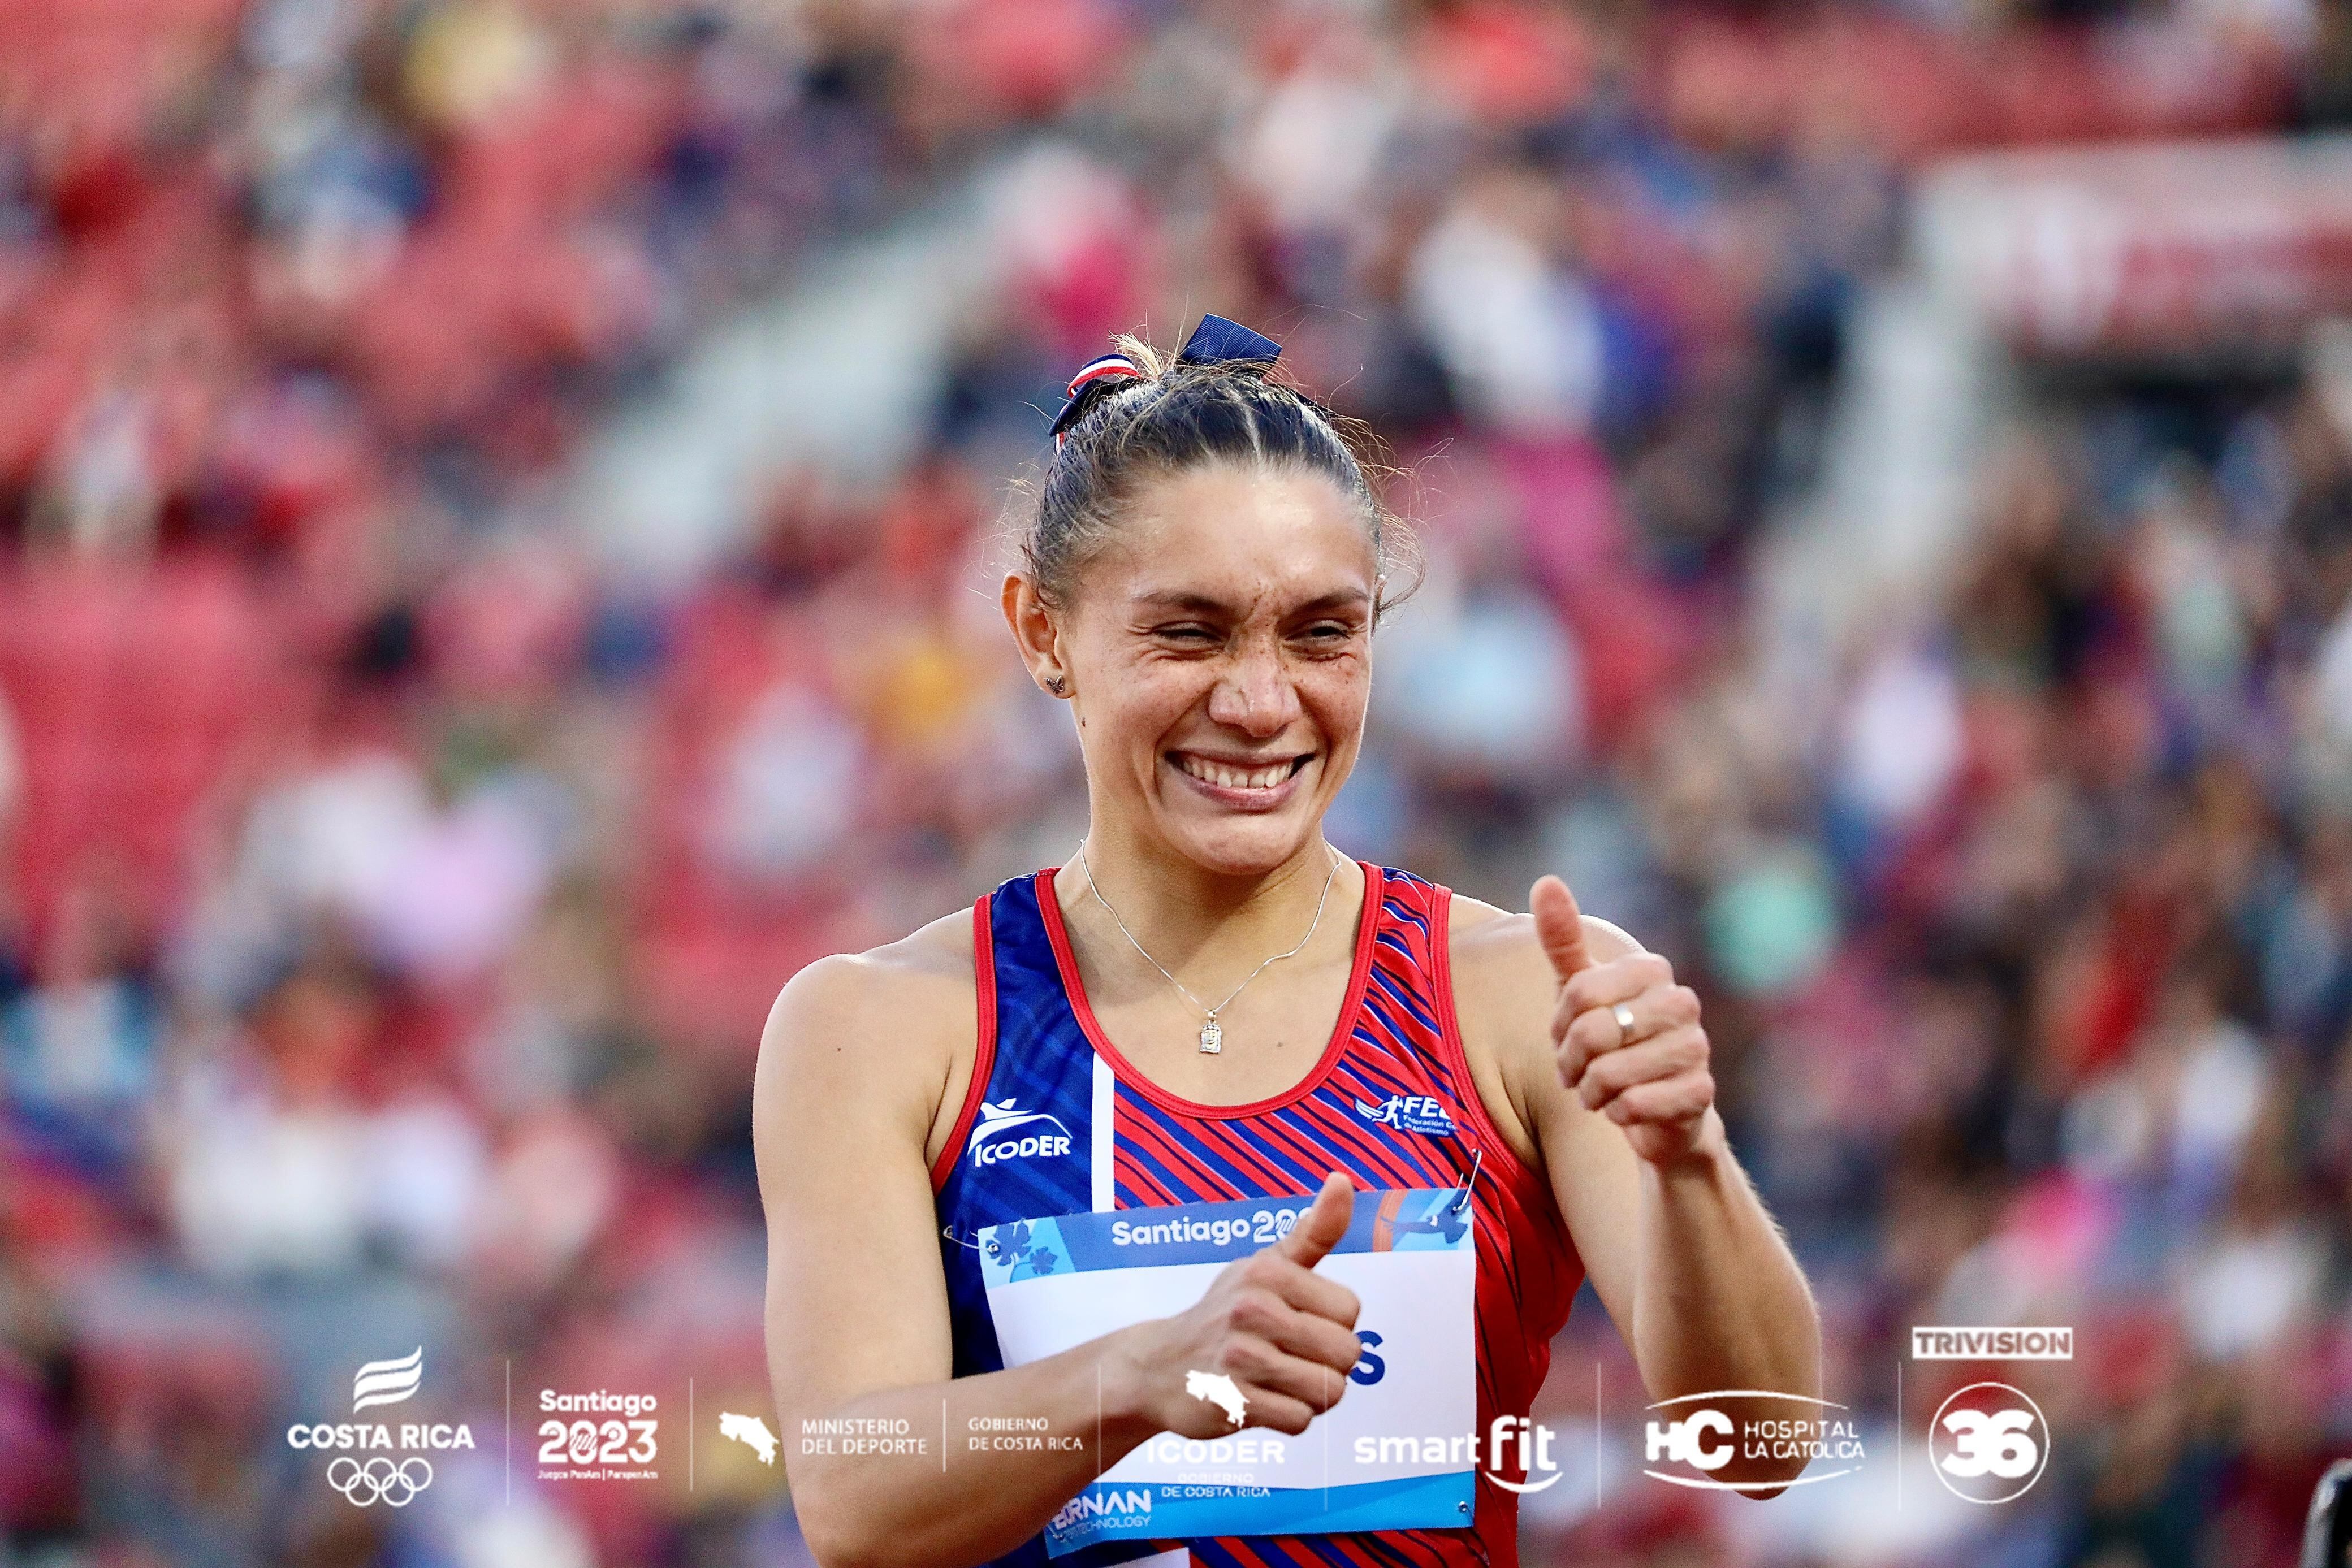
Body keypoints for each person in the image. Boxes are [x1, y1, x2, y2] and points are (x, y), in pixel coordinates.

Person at [753, 315, 1819, 1568]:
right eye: (1189, 632)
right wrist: (1145, 1372)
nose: (1261, 704)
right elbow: (852, 1499)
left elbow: (1756, 1448)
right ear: (1043, 633)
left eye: (1322, 633)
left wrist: (1690, 1160)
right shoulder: (884, 1028)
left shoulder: (1519, 996)